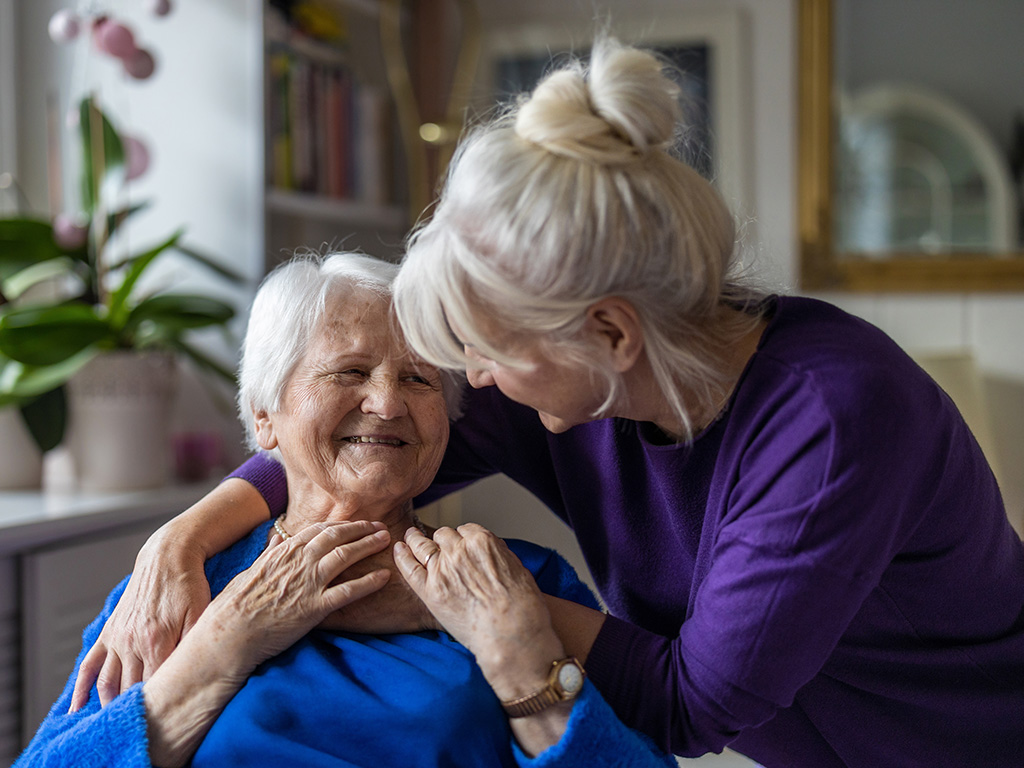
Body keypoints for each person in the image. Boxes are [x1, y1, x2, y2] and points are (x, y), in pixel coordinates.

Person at [74, 38, 1024, 767]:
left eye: (479, 355)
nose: (466, 385)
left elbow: (689, 705)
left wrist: (490, 624)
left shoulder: (831, 425)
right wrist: (181, 544)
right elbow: (350, 445)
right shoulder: (558, 384)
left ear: (610, 335)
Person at [17, 252, 675, 768]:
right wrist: (221, 647)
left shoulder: (513, 580)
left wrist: (523, 662)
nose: (387, 403)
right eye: (349, 372)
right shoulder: (183, 587)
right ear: (264, 416)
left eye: (418, 379)